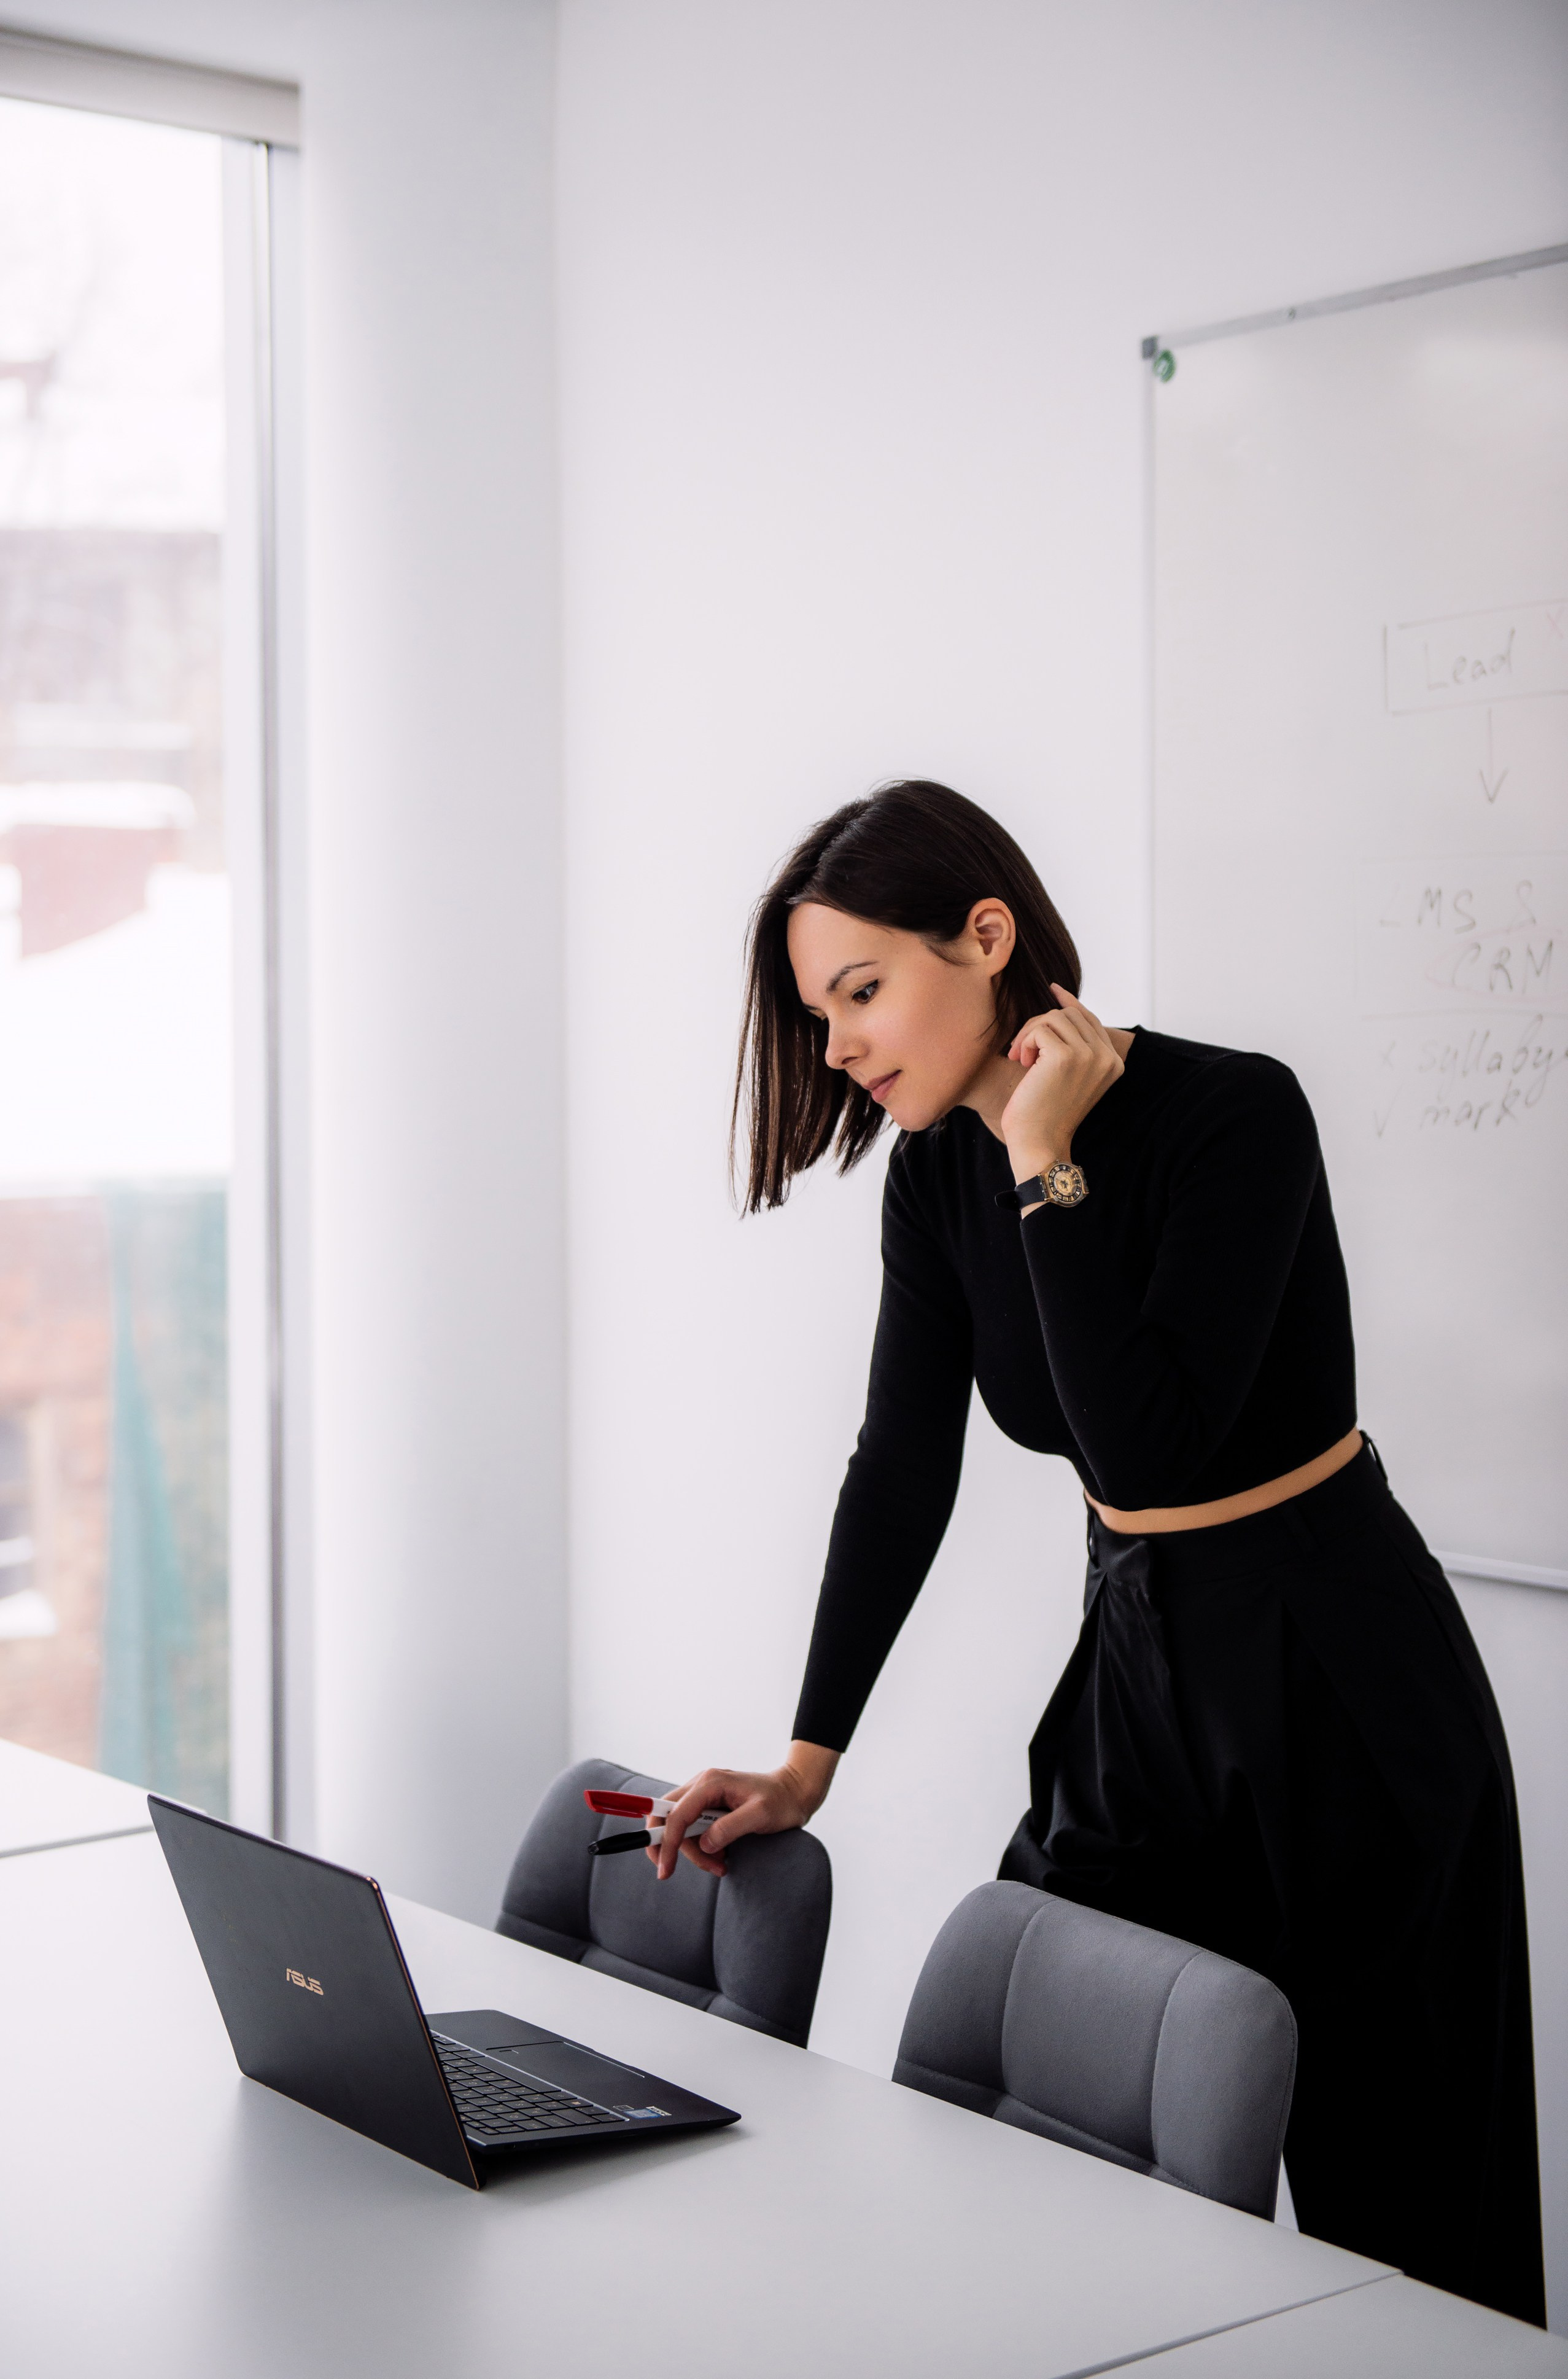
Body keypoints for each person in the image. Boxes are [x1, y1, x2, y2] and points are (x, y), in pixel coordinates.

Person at [652, 779, 1543, 2323]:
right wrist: (809, 1759)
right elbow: (900, 1464)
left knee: (1401, 2230)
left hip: (1342, 1680)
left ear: (985, 936)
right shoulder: (935, 1173)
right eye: (818, 1012)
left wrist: (1043, 1149)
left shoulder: (1233, 1115)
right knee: (1037, 2162)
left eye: (860, 990)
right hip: (1135, 1664)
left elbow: (1147, 1444)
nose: (839, 1045)